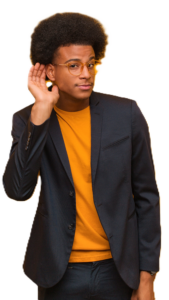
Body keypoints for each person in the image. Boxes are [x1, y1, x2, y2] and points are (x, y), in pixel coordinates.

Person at [2, 11, 161, 300]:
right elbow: (17, 190)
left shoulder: (125, 113)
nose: (86, 74)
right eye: (73, 66)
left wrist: (147, 276)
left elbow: (148, 198)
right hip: (59, 270)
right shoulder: (28, 119)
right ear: (50, 71)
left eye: (90, 63)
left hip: (118, 268)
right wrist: (41, 112)